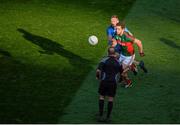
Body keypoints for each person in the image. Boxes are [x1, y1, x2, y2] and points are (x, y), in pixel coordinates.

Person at [112, 22, 146, 87]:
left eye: (118, 29)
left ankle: (129, 83)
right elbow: (115, 41)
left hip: (129, 56)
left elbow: (139, 42)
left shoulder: (127, 37)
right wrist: (113, 44)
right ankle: (132, 66)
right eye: (116, 29)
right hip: (122, 54)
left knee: (122, 72)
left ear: (123, 29)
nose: (116, 30)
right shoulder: (116, 34)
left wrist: (141, 52)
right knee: (119, 68)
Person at [96, 47, 122, 122]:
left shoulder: (104, 60)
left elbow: (98, 71)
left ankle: (100, 116)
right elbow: (122, 73)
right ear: (114, 53)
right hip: (113, 83)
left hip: (104, 82)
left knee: (101, 97)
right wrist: (120, 80)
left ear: (108, 53)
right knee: (111, 98)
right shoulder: (118, 62)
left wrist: (98, 77)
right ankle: (108, 117)